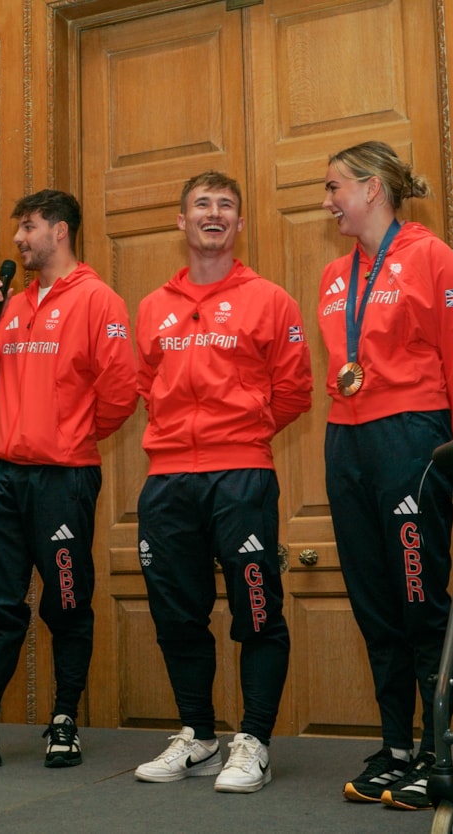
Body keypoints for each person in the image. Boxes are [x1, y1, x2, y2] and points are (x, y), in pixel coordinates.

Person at [0, 189, 136, 776]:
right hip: (2, 477)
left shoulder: (99, 301)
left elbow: (120, 393)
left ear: (60, 231)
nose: (18, 239)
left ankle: (64, 720)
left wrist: (70, 434)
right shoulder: (10, 307)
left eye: (29, 227)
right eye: (19, 229)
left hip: (63, 480)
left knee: (66, 604)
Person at [316, 142, 453, 809]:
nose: (328, 200)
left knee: (419, 603)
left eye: (335, 187)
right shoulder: (336, 276)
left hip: (412, 440)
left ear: (371, 187)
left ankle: (438, 755)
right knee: (375, 605)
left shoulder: (434, 258)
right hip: (345, 440)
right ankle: (396, 746)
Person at [131, 171, 312, 794]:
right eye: (202, 205)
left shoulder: (271, 300)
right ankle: (198, 735)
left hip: (242, 477)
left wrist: (246, 428)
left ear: (239, 223)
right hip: (167, 482)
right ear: (181, 222)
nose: (214, 214)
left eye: (226, 206)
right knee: (177, 615)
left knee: (256, 611)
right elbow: (141, 385)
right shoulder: (153, 306)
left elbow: (294, 390)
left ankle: (254, 740)